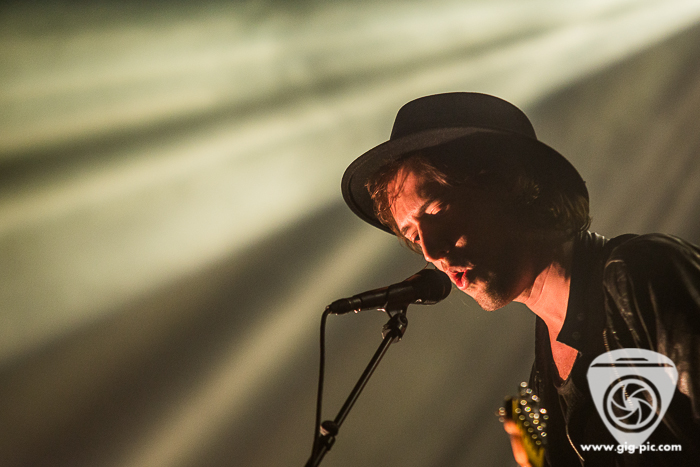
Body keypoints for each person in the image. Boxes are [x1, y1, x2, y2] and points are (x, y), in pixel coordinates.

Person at [340, 92, 700, 466]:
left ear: (509, 185)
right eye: (414, 235)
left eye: (437, 209)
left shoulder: (643, 274)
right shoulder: (544, 377)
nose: (430, 251)